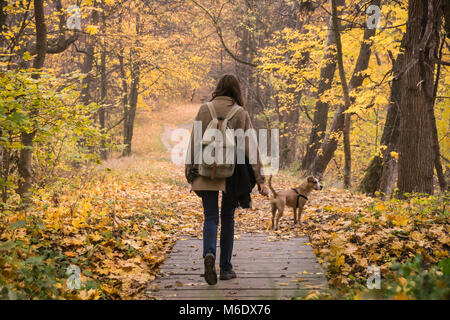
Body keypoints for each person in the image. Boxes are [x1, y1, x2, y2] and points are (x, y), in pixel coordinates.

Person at [185, 74, 269, 285]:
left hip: (205, 171)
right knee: (228, 218)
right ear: (236, 91)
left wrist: (190, 170)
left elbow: (194, 141)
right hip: (233, 175)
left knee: (211, 217)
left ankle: (209, 254)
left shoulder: (205, 110)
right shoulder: (240, 113)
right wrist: (261, 179)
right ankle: (225, 268)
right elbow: (252, 147)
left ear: (218, 89)